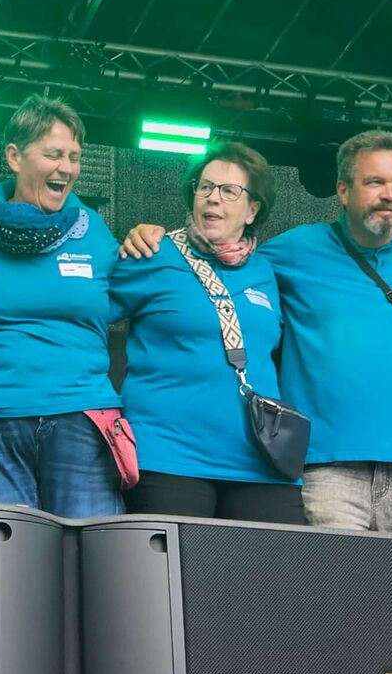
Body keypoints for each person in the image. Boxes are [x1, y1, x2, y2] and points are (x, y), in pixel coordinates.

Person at [124, 129, 392, 536]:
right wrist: (152, 235)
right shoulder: (292, 251)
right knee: (326, 599)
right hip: (325, 467)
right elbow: (222, 251)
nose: (390, 194)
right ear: (343, 190)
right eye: (375, 182)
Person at [0, 93, 122, 518]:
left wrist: (150, 234)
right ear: (15, 156)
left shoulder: (95, 231)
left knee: (89, 563)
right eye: (54, 154)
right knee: (7, 573)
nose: (68, 168)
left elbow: (132, 295)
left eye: (75, 157)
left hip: (80, 416)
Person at [111, 141, 303, 523]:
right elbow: (83, 317)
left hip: (262, 462)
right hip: (171, 458)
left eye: (230, 191)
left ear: (253, 210)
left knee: (278, 580)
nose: (214, 199)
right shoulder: (152, 253)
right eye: (205, 187)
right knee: (175, 581)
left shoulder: (267, 271)